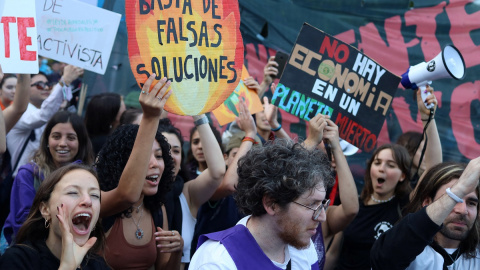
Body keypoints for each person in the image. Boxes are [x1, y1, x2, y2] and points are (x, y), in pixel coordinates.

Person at [331, 86, 442, 270]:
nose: (382, 169)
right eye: (377, 163)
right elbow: (333, 255)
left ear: (402, 176)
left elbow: (433, 170)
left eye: (391, 166)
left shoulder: (406, 206)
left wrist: (427, 118)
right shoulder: (352, 205)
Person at [190, 139, 334, 269]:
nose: (322, 216)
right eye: (312, 204)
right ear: (272, 204)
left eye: (322, 203)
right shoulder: (217, 261)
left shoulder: (302, 245)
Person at [96, 74, 183, 270]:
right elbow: (127, 195)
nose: (154, 164)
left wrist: (177, 251)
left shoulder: (156, 208)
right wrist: (151, 116)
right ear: (121, 163)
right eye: (145, 157)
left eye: (159, 156)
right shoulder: (97, 203)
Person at [3, 111, 94, 244]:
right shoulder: (28, 174)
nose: (62, 143)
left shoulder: (90, 177)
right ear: (47, 140)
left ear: (81, 143)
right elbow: (22, 223)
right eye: (56, 136)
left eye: (71, 138)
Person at [371, 159, 480, 269]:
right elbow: (384, 258)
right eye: (453, 199)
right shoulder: (407, 251)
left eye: (471, 203)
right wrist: (459, 188)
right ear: (427, 203)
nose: (463, 210)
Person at [0, 163, 110, 269]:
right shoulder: (18, 260)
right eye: (73, 192)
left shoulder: (98, 265)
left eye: (94, 195)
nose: (88, 201)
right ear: (45, 209)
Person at [158, 112, 225, 269]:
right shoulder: (137, 194)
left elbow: (217, 171)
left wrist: (198, 115)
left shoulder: (187, 194)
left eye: (175, 151)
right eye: (162, 151)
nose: (170, 157)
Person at [303, 114, 359, 269]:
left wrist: (336, 146)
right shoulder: (278, 216)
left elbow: (351, 209)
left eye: (320, 200)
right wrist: (311, 141)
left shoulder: (321, 220)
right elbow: (280, 177)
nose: (319, 209)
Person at [6, 65, 83, 177]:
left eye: (47, 84)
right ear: (25, 88)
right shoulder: (19, 114)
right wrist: (64, 81)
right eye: (39, 85)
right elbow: (42, 116)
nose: (46, 88)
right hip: (25, 180)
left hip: (47, 178)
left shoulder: (45, 111)